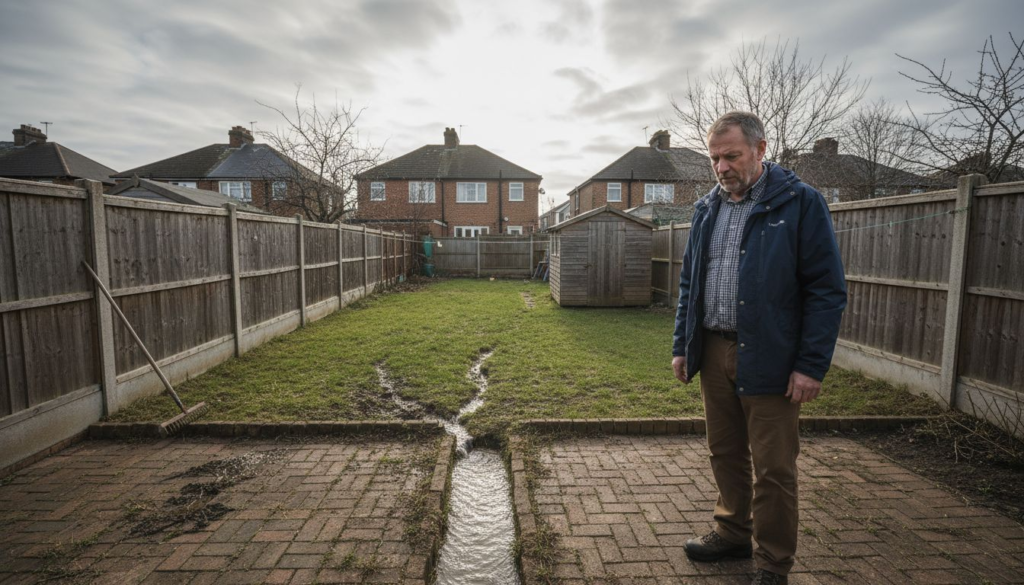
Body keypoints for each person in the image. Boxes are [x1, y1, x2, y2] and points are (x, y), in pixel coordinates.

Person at [671, 111, 847, 585]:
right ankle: (732, 533)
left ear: (761, 150)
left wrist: (810, 365)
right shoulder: (706, 208)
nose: (722, 166)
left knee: (773, 468)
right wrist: (683, 346)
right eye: (714, 159)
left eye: (731, 155)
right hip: (712, 350)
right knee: (724, 452)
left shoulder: (801, 203)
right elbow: (691, 283)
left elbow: (826, 290)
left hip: (771, 355)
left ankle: (772, 563)